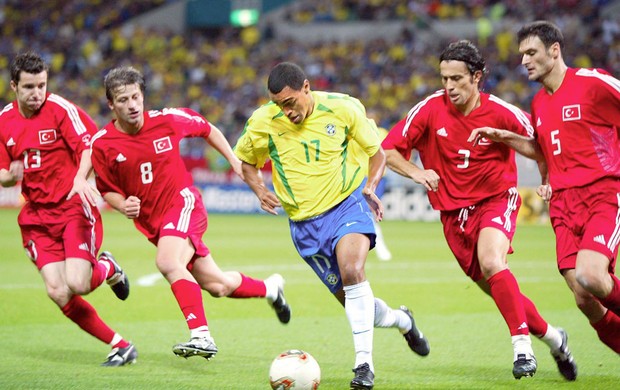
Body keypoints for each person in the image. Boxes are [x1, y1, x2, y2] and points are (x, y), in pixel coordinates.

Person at [382, 40, 577, 380]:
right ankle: (555, 338)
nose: (449, 86)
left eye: (456, 79)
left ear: (476, 77)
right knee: (502, 291)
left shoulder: (501, 111)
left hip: (496, 199)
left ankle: (522, 348)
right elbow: (389, 150)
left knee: (492, 261)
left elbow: (543, 144)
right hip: (453, 217)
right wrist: (416, 172)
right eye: (444, 79)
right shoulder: (429, 109)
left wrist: (547, 177)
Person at [234, 62, 430, 390]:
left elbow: (377, 153)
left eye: (290, 103)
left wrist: (369, 187)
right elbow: (247, 163)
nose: (286, 112)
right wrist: (259, 190)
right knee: (358, 305)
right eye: (278, 105)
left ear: (306, 88)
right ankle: (402, 320)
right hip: (304, 228)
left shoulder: (343, 108)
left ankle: (363, 365)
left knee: (353, 272)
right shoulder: (263, 121)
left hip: (345, 206)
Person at [90, 66, 291, 362]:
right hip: (154, 223)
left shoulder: (168, 120)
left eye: (136, 96)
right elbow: (106, 188)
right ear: (111, 104)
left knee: (168, 262)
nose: (132, 105)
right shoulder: (103, 144)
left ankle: (202, 336)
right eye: (123, 100)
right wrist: (121, 205)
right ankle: (271, 288)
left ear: (143, 95)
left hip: (182, 203)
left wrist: (235, 162)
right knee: (217, 285)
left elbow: (207, 128)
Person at [469, 20, 620, 354]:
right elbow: (543, 150)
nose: (524, 61)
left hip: (602, 195)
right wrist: (504, 137)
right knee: (584, 299)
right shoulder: (539, 103)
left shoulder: (592, 83)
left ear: (555, 51)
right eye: (522, 54)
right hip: (564, 205)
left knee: (592, 276)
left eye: (531, 52)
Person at [0, 52, 136, 367]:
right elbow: (5, 175)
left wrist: (79, 178)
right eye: (29, 87)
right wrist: (8, 176)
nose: (37, 94)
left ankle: (108, 268)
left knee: (79, 283)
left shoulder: (60, 109)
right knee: (58, 291)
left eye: (41, 86)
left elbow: (90, 145)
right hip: (36, 218)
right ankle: (121, 346)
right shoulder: (4, 122)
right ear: (13, 86)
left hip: (71, 207)